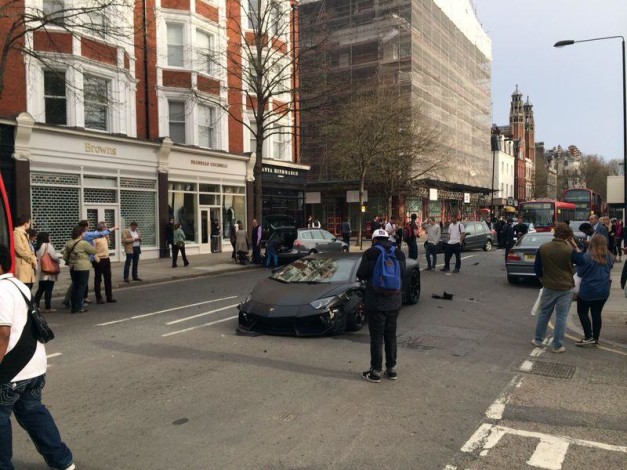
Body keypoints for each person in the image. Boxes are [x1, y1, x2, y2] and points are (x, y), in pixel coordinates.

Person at [0, 244, 75, 470]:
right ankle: (63, 461)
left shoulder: (0, 290)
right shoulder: (18, 285)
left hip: (11, 370)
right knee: (33, 412)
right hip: (33, 366)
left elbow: (3, 333)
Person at [357, 229, 406, 383]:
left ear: (374, 240)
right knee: (391, 335)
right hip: (394, 302)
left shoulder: (370, 253)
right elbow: (403, 274)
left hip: (376, 302)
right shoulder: (399, 253)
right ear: (387, 238)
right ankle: (391, 370)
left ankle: (375, 371)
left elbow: (361, 274)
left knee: (377, 337)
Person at [532, 223, 578, 353]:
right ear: (568, 236)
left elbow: (537, 268)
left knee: (544, 313)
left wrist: (542, 279)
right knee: (561, 317)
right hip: (565, 287)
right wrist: (574, 246)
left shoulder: (543, 248)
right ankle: (557, 345)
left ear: (555, 232)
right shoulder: (569, 250)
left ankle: (538, 339)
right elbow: (583, 261)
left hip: (549, 286)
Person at [571, 234, 613, 347]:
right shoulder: (609, 256)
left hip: (588, 290)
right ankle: (595, 338)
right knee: (596, 314)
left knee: (582, 312)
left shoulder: (588, 256)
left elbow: (580, 273)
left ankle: (588, 336)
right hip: (603, 290)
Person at [63, 226, 96, 314]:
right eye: (83, 232)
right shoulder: (84, 243)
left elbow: (65, 256)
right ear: (81, 233)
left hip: (72, 267)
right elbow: (93, 251)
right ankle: (79, 306)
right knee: (81, 287)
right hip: (82, 267)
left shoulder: (69, 243)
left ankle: (73, 306)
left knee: (75, 286)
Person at [33, 232, 60, 313]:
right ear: (46, 237)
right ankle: (48, 307)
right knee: (49, 289)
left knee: (41, 289)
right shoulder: (47, 245)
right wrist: (58, 260)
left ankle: (36, 305)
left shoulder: (37, 246)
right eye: (49, 236)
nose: (50, 238)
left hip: (41, 270)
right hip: (49, 271)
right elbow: (54, 256)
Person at [92, 221, 116, 304]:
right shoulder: (95, 236)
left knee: (108, 278)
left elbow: (107, 245)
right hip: (99, 259)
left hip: (106, 258)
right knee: (98, 279)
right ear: (102, 228)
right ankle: (98, 298)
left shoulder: (105, 235)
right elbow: (92, 250)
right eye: (105, 227)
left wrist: (107, 238)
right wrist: (96, 259)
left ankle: (109, 296)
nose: (106, 228)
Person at [13, 215, 37, 290]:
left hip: (28, 267)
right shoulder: (16, 233)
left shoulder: (24, 234)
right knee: (24, 290)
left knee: (28, 289)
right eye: (29, 223)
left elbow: (28, 249)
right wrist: (32, 259)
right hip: (23, 268)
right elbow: (21, 250)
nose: (30, 224)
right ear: (25, 223)